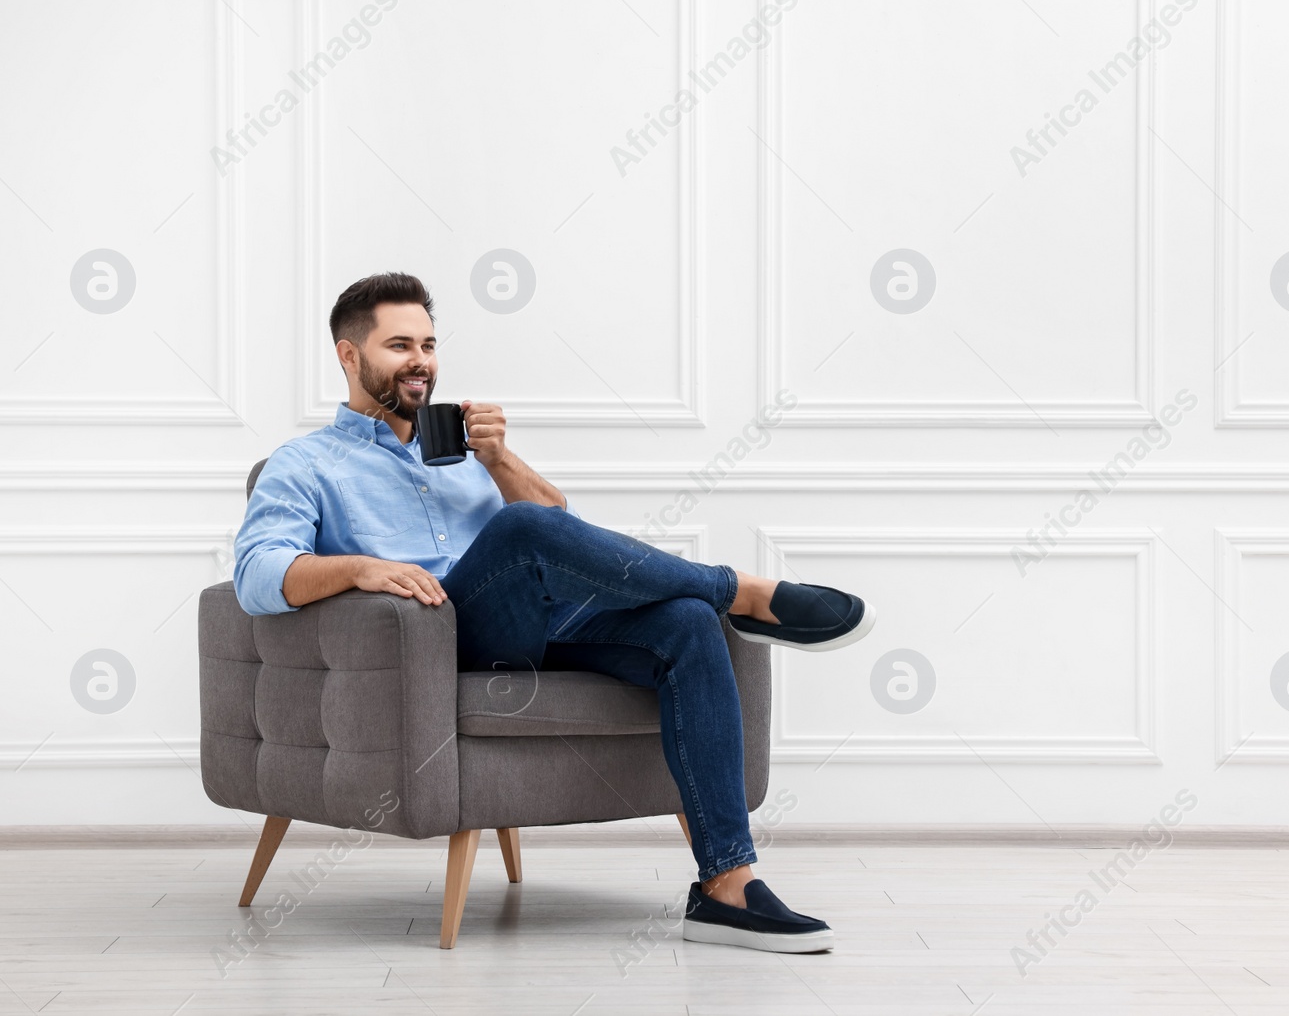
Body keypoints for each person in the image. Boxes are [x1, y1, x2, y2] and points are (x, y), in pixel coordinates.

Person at [232, 272, 875, 953]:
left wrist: (500, 459)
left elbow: (562, 531)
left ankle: (727, 887)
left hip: (543, 620)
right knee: (520, 533)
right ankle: (743, 594)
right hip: (441, 640)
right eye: (399, 344)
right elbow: (257, 574)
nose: (420, 359)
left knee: (685, 622)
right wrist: (363, 567)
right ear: (349, 356)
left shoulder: (460, 448)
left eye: (428, 342)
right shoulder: (305, 464)